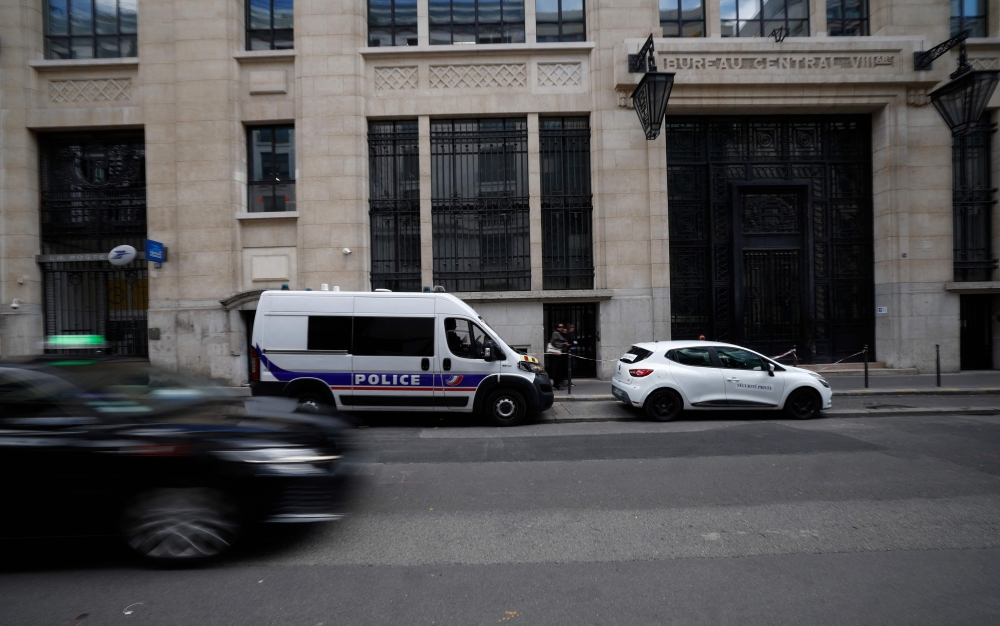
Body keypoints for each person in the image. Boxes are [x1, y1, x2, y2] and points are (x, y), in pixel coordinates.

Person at [548, 323, 569, 390]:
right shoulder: (555, 333)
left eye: (562, 326)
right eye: (560, 327)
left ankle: (557, 383)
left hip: (560, 354)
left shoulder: (560, 333)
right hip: (557, 354)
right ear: (557, 327)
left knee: (560, 369)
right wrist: (564, 344)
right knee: (557, 369)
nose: (561, 328)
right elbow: (555, 343)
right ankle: (556, 384)